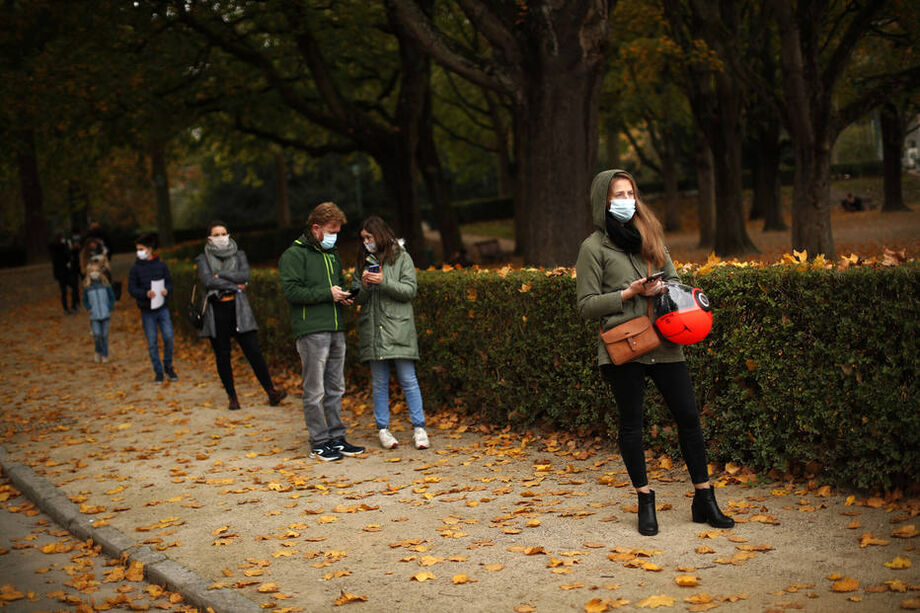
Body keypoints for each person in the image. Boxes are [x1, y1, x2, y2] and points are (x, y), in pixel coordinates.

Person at [575, 169, 734, 537]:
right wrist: (629, 294)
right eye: (618, 194)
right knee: (632, 424)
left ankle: (704, 497)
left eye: (630, 193)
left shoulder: (651, 236)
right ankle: (645, 499)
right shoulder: (593, 248)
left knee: (689, 417)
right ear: (604, 201)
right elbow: (585, 305)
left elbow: (675, 281)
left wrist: (663, 286)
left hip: (665, 340)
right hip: (626, 344)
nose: (626, 200)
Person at [279, 202, 365, 462]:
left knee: (336, 387)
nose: (334, 235)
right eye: (331, 230)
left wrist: (342, 296)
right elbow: (291, 292)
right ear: (315, 228)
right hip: (311, 329)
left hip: (335, 325)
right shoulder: (294, 255)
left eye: (337, 231)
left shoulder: (332, 254)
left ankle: (337, 437)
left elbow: (335, 284)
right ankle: (319, 441)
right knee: (314, 389)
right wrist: (327, 294)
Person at [352, 216, 429, 450]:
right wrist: (364, 286)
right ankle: (383, 429)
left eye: (369, 237)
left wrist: (384, 281)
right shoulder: (363, 261)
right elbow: (357, 297)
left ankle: (419, 428)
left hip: (399, 329)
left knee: (408, 380)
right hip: (374, 330)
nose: (366, 242)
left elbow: (409, 290)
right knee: (379, 383)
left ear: (380, 235)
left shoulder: (402, 257)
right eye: (363, 238)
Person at [196, 221, 287, 410]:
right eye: (216, 234)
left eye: (223, 233)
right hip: (217, 311)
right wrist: (233, 284)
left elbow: (244, 277)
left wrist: (219, 276)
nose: (221, 237)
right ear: (209, 238)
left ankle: (271, 391)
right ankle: (232, 397)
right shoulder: (202, 259)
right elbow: (207, 281)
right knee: (223, 356)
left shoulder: (239, 255)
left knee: (254, 351)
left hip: (239, 309)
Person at [128, 233, 177, 383]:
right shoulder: (135, 269)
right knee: (152, 342)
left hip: (162, 308)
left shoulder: (161, 266)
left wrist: (166, 290)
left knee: (168, 337)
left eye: (141, 249)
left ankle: (168, 366)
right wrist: (145, 294)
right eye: (138, 249)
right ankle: (158, 371)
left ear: (150, 249)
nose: (139, 252)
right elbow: (132, 289)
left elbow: (169, 283)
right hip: (147, 310)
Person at [82, 261, 116, 363]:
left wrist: (109, 307)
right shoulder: (87, 287)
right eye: (92, 271)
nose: (94, 273)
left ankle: (105, 355)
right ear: (89, 273)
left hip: (105, 314)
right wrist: (89, 308)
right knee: (97, 335)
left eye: (96, 270)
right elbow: (85, 300)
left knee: (104, 336)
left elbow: (112, 297)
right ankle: (98, 350)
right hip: (94, 316)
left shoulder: (105, 285)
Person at [50, 233, 80, 314]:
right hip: (64, 273)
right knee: (68, 290)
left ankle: (69, 307)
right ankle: (69, 307)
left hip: (63, 273)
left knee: (67, 290)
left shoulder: (57, 248)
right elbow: (67, 256)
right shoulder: (60, 248)